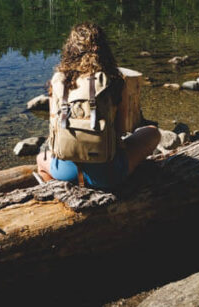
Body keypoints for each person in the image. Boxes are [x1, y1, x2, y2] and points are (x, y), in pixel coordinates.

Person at [35, 23, 160, 191]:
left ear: (70, 49)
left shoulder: (59, 81)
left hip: (65, 170)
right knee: (152, 131)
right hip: (108, 174)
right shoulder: (114, 81)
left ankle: (54, 191)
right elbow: (121, 130)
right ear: (103, 49)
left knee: (39, 159)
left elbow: (53, 128)